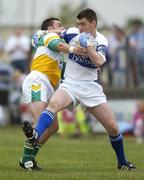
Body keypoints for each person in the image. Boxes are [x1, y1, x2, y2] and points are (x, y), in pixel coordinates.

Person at [23, 9, 136, 170]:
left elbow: (99, 62)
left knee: (113, 127)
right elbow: (43, 36)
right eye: (78, 24)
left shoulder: (101, 40)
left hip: (91, 87)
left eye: (83, 24)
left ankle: (122, 162)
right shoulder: (72, 33)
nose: (80, 28)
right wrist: (44, 34)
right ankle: (35, 134)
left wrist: (88, 47)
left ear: (93, 24)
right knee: (53, 104)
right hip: (70, 84)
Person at [19, 17, 86, 170]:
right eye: (58, 25)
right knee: (40, 122)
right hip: (37, 80)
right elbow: (58, 45)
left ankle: (27, 158)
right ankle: (27, 159)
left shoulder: (43, 36)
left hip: (49, 85)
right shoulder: (50, 36)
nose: (61, 27)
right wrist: (72, 49)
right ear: (49, 29)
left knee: (54, 126)